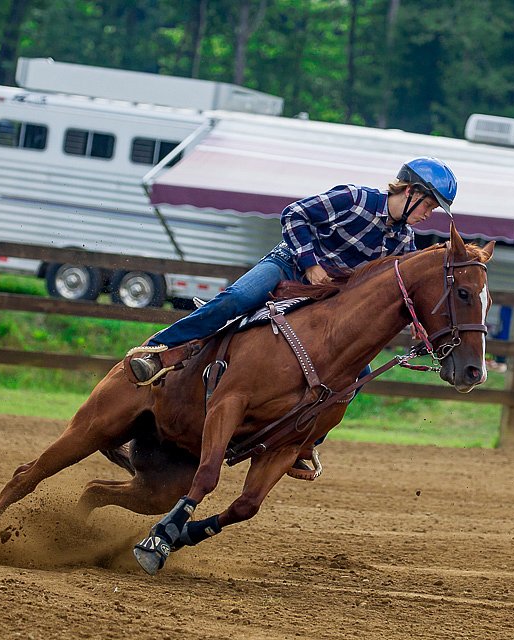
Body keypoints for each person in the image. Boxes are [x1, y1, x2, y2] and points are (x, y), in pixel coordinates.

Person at [124, 156, 458, 478]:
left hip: (327, 301)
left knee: (354, 377)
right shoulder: (355, 199)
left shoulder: (404, 242)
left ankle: (304, 441)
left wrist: (417, 322)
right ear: (410, 192)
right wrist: (311, 262)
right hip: (289, 266)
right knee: (236, 300)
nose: (430, 214)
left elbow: (398, 292)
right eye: (430, 205)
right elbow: (294, 214)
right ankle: (157, 351)